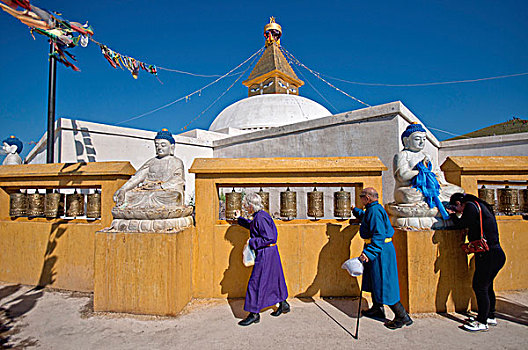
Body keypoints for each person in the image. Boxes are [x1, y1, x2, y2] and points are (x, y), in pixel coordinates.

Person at [352, 187, 413, 329]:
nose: (360, 199)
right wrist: (355, 211)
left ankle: (402, 316)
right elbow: (366, 217)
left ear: (367, 198)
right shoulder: (373, 209)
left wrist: (369, 252)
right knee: (375, 281)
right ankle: (377, 308)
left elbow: (379, 234)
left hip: (380, 251)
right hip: (377, 249)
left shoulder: (374, 211)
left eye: (361, 196)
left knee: (385, 283)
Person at [448, 192, 506, 332]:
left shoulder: (471, 207)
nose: (458, 211)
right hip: (495, 253)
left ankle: (482, 322)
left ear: (459, 204)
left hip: (487, 255)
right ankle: (489, 315)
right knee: (487, 286)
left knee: (479, 287)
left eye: (456, 208)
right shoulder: (480, 206)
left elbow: (461, 223)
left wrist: (452, 215)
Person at [234, 193, 289, 326]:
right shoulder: (260, 216)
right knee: (275, 279)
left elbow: (270, 238)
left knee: (256, 282)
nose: (245, 207)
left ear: (251, 205)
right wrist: (239, 219)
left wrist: (252, 242)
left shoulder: (260, 218)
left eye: (246, 205)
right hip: (271, 253)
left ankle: (254, 314)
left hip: (266, 253)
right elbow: (253, 226)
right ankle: (283, 304)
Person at [113, 128, 185, 210]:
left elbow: (178, 180)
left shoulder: (176, 162)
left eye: (163, 145)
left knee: (173, 196)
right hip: (147, 190)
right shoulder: (151, 162)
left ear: (172, 147)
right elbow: (137, 178)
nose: (159, 148)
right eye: (157, 145)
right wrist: (123, 189)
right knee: (128, 195)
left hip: (164, 192)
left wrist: (161, 186)